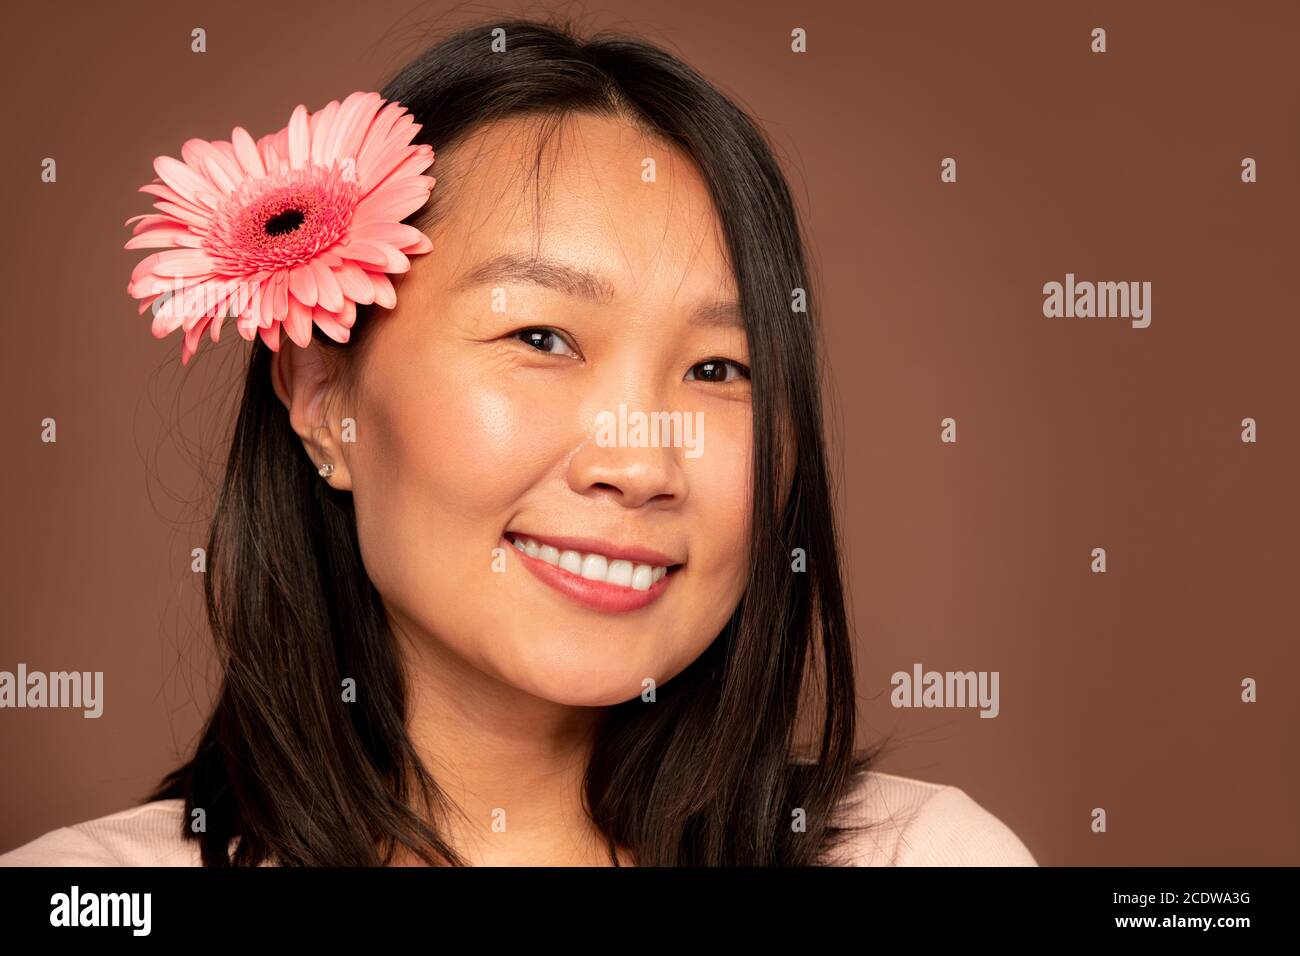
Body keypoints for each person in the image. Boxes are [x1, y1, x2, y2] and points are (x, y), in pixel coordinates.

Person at [1, 18, 1034, 867]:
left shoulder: (925, 856)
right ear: (322, 398)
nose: (638, 460)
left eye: (720, 369)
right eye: (540, 336)